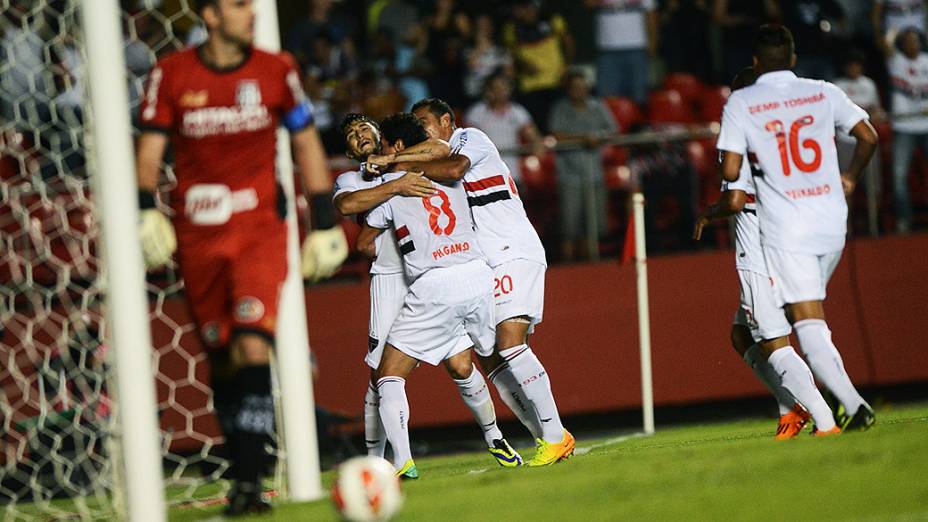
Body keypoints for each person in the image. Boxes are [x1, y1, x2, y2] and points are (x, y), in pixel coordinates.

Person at [135, 0, 348, 514]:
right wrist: (144, 209)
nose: (249, 13)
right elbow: (149, 151)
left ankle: (249, 487)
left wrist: (323, 219)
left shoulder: (277, 70)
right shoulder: (171, 74)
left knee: (254, 345)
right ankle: (245, 469)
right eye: (237, 5)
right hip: (198, 234)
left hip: (259, 230)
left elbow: (306, 141)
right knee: (222, 358)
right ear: (209, 15)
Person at [369, 98, 574, 466]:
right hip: (486, 262)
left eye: (425, 124)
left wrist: (394, 162)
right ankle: (545, 437)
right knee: (491, 356)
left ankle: (556, 436)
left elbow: (453, 170)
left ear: (447, 121)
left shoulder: (470, 138)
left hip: (513, 247)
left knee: (510, 344)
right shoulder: (427, 159)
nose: (421, 132)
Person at [333, 113, 522, 472]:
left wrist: (395, 167)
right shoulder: (349, 178)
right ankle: (378, 462)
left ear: (382, 135)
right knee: (380, 375)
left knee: (461, 364)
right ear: (348, 149)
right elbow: (345, 206)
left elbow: (439, 146)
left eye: (365, 128)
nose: (360, 136)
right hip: (392, 277)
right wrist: (396, 184)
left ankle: (494, 436)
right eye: (352, 134)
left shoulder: (411, 156)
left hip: (431, 274)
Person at [717, 24, 879, 434]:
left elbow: (733, 179)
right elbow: (868, 136)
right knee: (749, 332)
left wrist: (736, 165)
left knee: (800, 326)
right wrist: (851, 178)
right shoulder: (822, 90)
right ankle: (794, 407)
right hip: (831, 218)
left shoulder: (744, 105)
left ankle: (838, 410)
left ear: (756, 62)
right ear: (791, 57)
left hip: (781, 231)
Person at [694, 67, 808, 440]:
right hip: (785, 242)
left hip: (761, 253)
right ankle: (790, 408)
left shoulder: (740, 138)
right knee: (743, 336)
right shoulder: (776, 135)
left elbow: (736, 199)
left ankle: (825, 407)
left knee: (775, 341)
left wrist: (709, 213)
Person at [548, 70, 617, 261]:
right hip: (568, 174)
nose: (580, 91)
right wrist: (583, 138)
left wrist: (597, 138)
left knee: (594, 224)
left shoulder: (598, 106)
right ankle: (569, 264)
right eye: (575, 88)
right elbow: (556, 134)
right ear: (568, 90)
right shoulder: (560, 108)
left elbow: (613, 130)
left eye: (583, 87)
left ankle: (592, 264)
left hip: (594, 172)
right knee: (569, 225)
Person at [464, 72, 544, 190]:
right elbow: (468, 143)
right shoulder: (476, 112)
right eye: (496, 88)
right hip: (485, 177)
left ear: (510, 90)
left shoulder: (517, 112)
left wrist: (533, 157)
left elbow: (534, 138)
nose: (500, 92)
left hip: (512, 175)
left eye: (503, 88)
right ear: (488, 90)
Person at [887, 28, 928, 233]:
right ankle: (904, 220)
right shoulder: (896, 61)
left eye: (915, 40)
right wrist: (895, 29)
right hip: (903, 126)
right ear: (902, 44)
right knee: (899, 175)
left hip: (927, 123)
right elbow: (884, 42)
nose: (912, 44)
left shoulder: (927, 61)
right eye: (908, 41)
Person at [589, 0, 658, 103]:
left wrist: (653, 42)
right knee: (607, 101)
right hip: (607, 50)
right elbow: (589, 3)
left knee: (638, 98)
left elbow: (651, 14)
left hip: (636, 48)